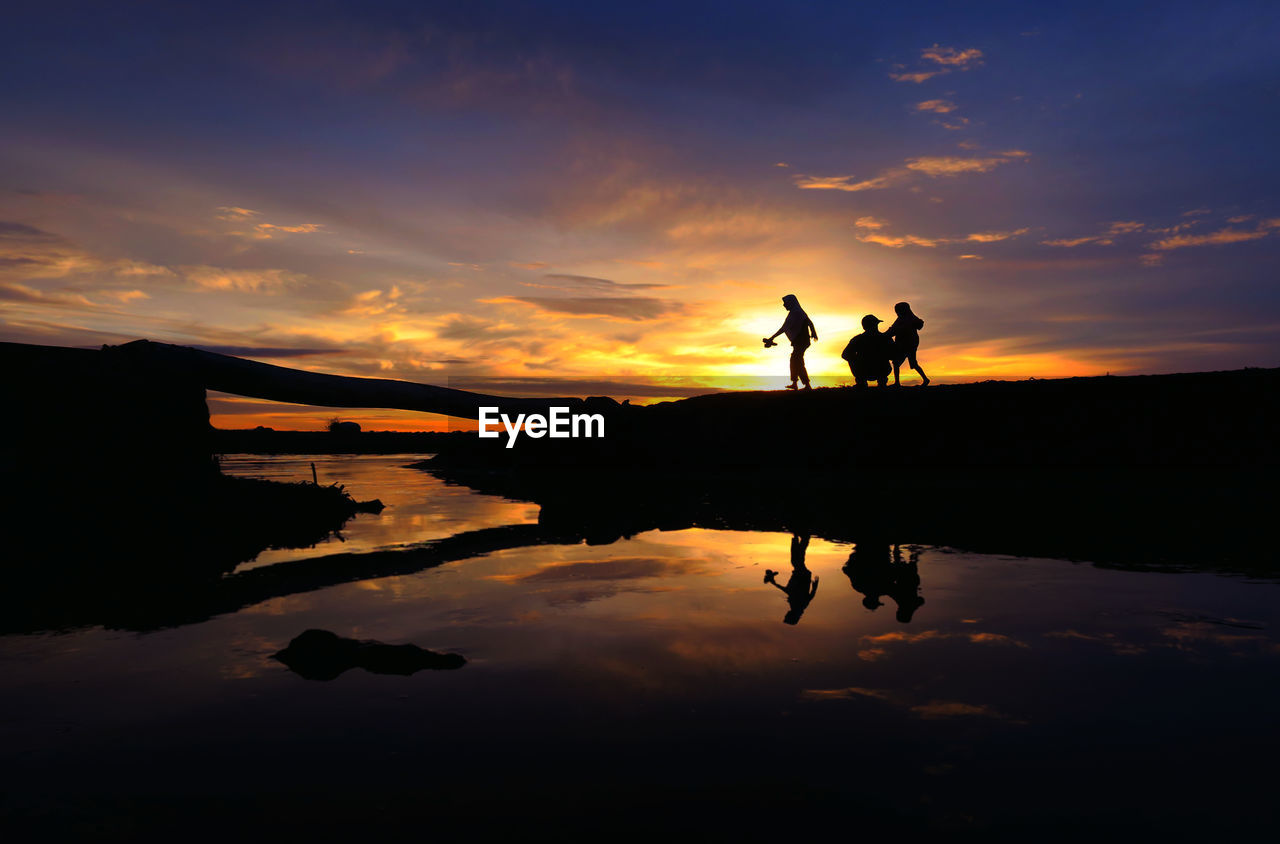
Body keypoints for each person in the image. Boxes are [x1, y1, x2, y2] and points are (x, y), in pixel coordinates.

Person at [764, 294, 817, 390]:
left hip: (801, 341)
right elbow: (809, 322)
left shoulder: (796, 312)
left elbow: (784, 328)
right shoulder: (797, 312)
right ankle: (796, 383)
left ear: (790, 302)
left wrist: (771, 338)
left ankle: (806, 385)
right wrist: (813, 332)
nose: (784, 305)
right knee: (795, 360)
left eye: (785, 303)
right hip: (800, 341)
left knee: (797, 361)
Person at [763, 533, 819, 625]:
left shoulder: (797, 607)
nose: (786, 614)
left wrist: (773, 583)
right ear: (792, 616)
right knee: (796, 560)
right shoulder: (799, 607)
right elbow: (807, 596)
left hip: (801, 576)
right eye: (786, 616)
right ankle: (801, 538)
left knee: (797, 560)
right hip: (801, 576)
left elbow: (788, 591)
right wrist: (815, 587)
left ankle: (799, 538)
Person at [883, 301, 929, 386]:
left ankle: (897, 383)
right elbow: (894, 329)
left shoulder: (905, 319)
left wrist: (884, 335)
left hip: (906, 344)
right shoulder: (908, 318)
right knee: (913, 363)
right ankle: (925, 379)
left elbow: (894, 330)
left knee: (896, 362)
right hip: (910, 343)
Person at [841, 314, 892, 388]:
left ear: (864, 326)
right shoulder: (885, 338)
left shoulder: (857, 339)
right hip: (882, 370)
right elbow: (895, 354)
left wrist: (855, 361)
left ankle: (861, 382)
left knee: (850, 358)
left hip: (862, 370)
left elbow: (845, 355)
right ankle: (882, 382)